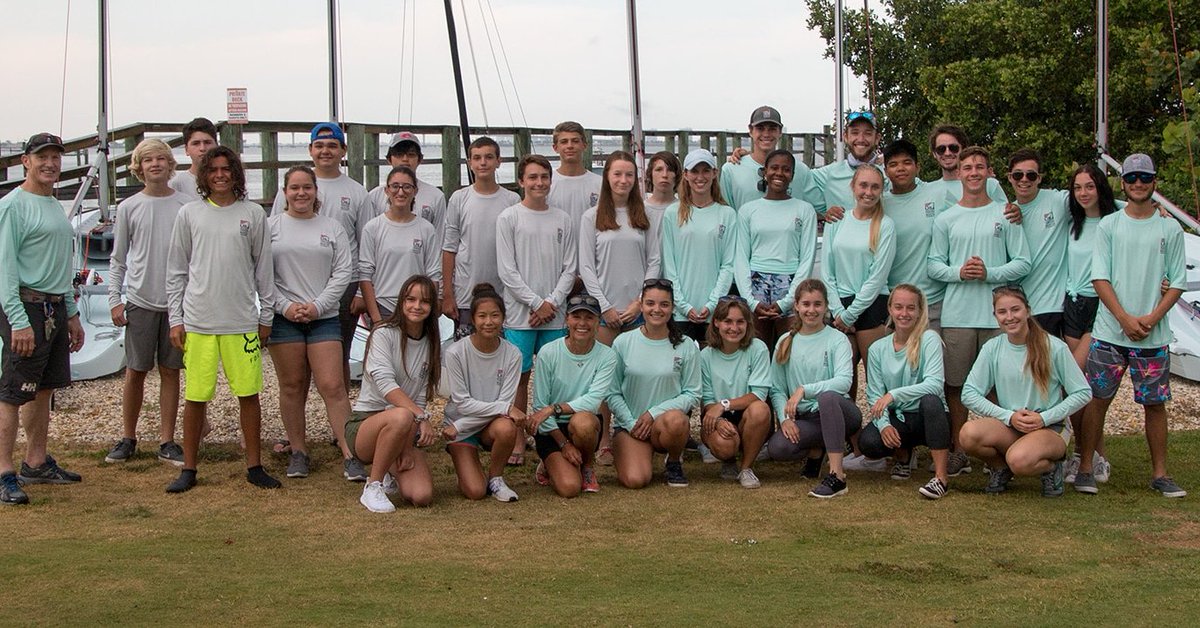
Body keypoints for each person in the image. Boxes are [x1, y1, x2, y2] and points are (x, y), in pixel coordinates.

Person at [164, 146, 278, 493]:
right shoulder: (190, 214)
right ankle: (189, 468)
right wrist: (175, 317)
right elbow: (176, 271)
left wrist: (266, 315)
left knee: (249, 394)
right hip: (199, 322)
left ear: (236, 173)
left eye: (226, 169)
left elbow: (264, 270)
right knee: (196, 397)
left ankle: (254, 466)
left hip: (242, 321)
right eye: (212, 169)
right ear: (203, 175)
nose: (219, 175)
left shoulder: (253, 214)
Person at [1075, 154, 1187, 498]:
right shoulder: (1110, 225)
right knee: (1097, 400)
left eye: (1145, 177)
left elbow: (1178, 281)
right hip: (1110, 332)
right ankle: (1085, 469)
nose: (1138, 183)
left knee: (1155, 404)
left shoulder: (1170, 227)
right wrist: (1123, 318)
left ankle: (1161, 474)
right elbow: (1100, 277)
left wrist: (1151, 319)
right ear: (1123, 182)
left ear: (1155, 181)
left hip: (1153, 336)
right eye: (1132, 177)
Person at [927, 146, 1031, 478]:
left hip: (998, 319)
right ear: (958, 173)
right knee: (956, 387)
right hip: (957, 315)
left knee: (997, 387)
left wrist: (991, 273)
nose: (973, 172)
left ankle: (1002, 450)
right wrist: (959, 272)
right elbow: (933, 266)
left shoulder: (1006, 213)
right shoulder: (946, 218)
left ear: (989, 172)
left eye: (979, 167)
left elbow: (1023, 263)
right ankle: (960, 451)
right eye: (967, 167)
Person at [0, 132, 85, 506]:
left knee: (44, 388)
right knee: (12, 394)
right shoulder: (13, 206)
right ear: (25, 161)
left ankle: (36, 462)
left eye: (55, 157)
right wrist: (18, 320)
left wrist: (72, 314)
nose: (50, 164)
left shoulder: (52, 203)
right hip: (25, 307)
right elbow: (4, 270)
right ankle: (4, 472)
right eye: (42, 157)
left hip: (54, 307)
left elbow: (60, 266)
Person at [958, 285, 1091, 497]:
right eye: (1002, 312)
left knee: (1019, 460)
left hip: (1049, 427)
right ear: (995, 316)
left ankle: (1051, 468)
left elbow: (1083, 392)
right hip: (1012, 424)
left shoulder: (1054, 347)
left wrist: (1044, 418)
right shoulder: (993, 348)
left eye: (1015, 309)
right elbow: (969, 393)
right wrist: (1009, 416)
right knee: (968, 434)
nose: (1009, 317)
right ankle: (1000, 468)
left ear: (1027, 311)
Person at [266, 165, 355, 480]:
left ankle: (350, 452)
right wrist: (285, 306)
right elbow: (261, 276)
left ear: (316, 191)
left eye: (307, 187)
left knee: (333, 386)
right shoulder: (270, 227)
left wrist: (318, 306)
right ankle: (299, 450)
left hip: (324, 317)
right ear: (285, 192)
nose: (301, 193)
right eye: (294, 188)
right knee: (292, 385)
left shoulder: (332, 227)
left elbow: (343, 271)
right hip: (283, 319)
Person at [104, 139, 188, 466]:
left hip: (176, 305)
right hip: (139, 300)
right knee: (136, 370)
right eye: (148, 160)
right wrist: (115, 299)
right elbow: (118, 258)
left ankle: (167, 440)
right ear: (139, 168)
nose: (155, 165)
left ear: (170, 165)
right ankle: (128, 436)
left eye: (161, 159)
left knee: (171, 371)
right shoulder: (129, 207)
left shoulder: (185, 205)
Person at [271, 122, 369, 390]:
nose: (326, 151)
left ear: (343, 150)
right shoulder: (296, 185)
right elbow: (275, 236)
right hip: (294, 284)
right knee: (297, 367)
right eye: (320, 145)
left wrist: (361, 290)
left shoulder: (357, 191)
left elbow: (365, 243)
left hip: (343, 284)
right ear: (311, 150)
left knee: (339, 353)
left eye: (332, 146)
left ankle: (342, 424)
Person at [579, 150, 660, 466]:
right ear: (607, 177)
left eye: (629, 175)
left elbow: (654, 260)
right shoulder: (592, 217)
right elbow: (587, 266)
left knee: (636, 374)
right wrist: (605, 306)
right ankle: (604, 439)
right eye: (617, 174)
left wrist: (640, 301)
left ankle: (641, 433)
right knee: (602, 378)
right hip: (605, 312)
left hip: (638, 309)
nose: (623, 180)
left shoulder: (646, 216)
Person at [496, 154, 578, 465]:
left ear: (550, 180)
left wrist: (552, 303)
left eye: (544, 177)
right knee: (520, 377)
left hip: (554, 315)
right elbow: (507, 270)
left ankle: (553, 439)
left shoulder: (563, 219)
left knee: (556, 378)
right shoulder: (509, 218)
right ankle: (518, 438)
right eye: (532, 177)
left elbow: (570, 268)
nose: (539, 183)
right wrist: (535, 303)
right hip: (521, 315)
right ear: (521, 182)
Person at [347, 275, 441, 512]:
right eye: (410, 299)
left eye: (424, 301)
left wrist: (408, 445)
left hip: (403, 427)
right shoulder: (383, 333)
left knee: (422, 496)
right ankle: (373, 486)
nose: (417, 306)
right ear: (401, 301)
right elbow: (386, 387)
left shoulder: (430, 342)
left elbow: (418, 396)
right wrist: (422, 417)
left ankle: (390, 471)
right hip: (366, 425)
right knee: (401, 415)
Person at [765, 279, 860, 498]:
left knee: (827, 397)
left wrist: (804, 390)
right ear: (796, 306)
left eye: (817, 304)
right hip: (808, 418)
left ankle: (837, 476)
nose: (811, 310)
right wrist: (785, 418)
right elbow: (777, 388)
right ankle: (817, 450)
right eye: (806, 304)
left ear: (826, 306)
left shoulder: (838, 339)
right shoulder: (785, 341)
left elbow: (844, 381)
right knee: (778, 448)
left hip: (841, 413)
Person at [859, 284, 951, 499]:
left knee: (930, 401)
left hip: (927, 416)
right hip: (898, 417)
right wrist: (884, 426)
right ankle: (903, 456)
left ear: (920, 311)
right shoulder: (877, 348)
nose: (904, 313)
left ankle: (941, 478)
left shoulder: (929, 339)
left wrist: (894, 394)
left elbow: (935, 385)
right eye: (898, 307)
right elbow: (874, 394)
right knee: (869, 442)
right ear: (890, 309)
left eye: (911, 308)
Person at [608, 278, 700, 489]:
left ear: (672, 308)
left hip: (664, 425)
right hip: (632, 426)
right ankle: (639, 454)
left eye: (664, 304)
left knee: (677, 421)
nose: (656, 310)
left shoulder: (686, 345)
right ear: (641, 306)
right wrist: (632, 424)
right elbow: (612, 393)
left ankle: (674, 461)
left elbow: (692, 393)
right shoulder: (623, 342)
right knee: (635, 480)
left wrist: (653, 413)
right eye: (650, 303)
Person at [526, 293, 617, 497]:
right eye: (576, 317)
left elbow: (593, 402)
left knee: (583, 422)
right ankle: (549, 463)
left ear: (598, 322)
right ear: (567, 319)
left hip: (584, 423)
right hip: (551, 429)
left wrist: (553, 408)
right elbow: (540, 405)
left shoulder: (608, 356)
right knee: (569, 489)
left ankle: (587, 466)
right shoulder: (548, 352)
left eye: (589, 317)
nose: (582, 323)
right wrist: (564, 444)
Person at [1061, 164, 1118, 484]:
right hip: (1073, 304)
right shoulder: (1074, 222)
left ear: (1100, 189)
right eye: (1078, 188)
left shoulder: (1116, 219)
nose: (1083, 193)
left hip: (1102, 304)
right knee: (1077, 384)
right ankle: (1086, 454)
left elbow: (1145, 212)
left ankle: (1094, 456)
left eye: (1089, 187)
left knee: (1081, 381)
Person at [441, 283, 524, 502]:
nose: (489, 322)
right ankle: (466, 463)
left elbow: (504, 404)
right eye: (482, 316)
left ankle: (496, 478)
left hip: (486, 425)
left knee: (507, 427)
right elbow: (462, 404)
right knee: (475, 492)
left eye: (495, 315)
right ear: (473, 320)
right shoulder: (455, 352)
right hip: (462, 425)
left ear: (503, 318)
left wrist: (458, 426)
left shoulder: (513, 354)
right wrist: (459, 426)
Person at [821, 165, 896, 398]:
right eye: (863, 185)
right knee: (842, 379)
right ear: (853, 187)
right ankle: (848, 432)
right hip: (839, 306)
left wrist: (850, 315)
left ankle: (881, 430)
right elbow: (827, 272)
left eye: (875, 187)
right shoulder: (837, 221)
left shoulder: (885, 225)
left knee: (877, 378)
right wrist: (837, 311)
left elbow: (877, 277)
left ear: (882, 191)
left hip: (871, 306)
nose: (868, 192)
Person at [733, 149, 817, 349]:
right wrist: (751, 301)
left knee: (788, 351)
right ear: (764, 172)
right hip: (755, 287)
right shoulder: (748, 210)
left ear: (792, 176)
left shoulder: (805, 210)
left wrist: (787, 301)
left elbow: (807, 258)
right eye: (774, 168)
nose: (779, 173)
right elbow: (741, 258)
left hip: (790, 284)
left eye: (786, 169)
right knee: (757, 351)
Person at [441, 137, 521, 339]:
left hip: (503, 294)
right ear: (470, 163)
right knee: (466, 351)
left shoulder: (512, 200)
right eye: (477, 158)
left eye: (488, 157)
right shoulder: (459, 198)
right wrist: (448, 294)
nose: (483, 162)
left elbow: (518, 251)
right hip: (466, 294)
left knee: (500, 352)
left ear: (498, 161)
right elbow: (449, 248)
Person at [661, 149, 738, 345]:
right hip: (680, 313)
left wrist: (712, 304)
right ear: (685, 175)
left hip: (714, 314)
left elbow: (728, 265)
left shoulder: (727, 214)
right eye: (694, 171)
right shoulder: (672, 213)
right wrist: (684, 306)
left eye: (706, 171)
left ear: (715, 173)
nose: (700, 177)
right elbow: (669, 265)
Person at [699, 297, 773, 489]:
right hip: (716, 414)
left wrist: (723, 405)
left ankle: (746, 468)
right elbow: (707, 398)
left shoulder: (757, 348)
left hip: (745, 412)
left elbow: (759, 394)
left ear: (748, 324)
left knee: (761, 410)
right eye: (728, 321)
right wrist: (718, 419)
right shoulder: (705, 355)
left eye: (740, 321)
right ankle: (728, 460)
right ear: (716, 322)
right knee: (725, 445)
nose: (734, 328)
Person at [880, 139, 949, 332]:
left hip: (933, 300)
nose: (900, 169)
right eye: (893, 164)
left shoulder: (938, 193)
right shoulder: (879, 204)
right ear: (886, 171)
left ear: (918, 166)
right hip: (894, 302)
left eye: (907, 162)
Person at [359, 166, 441, 325]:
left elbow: (433, 274)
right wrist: (376, 319)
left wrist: (425, 307)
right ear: (387, 190)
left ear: (415, 191)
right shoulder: (373, 227)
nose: (401, 192)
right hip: (383, 307)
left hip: (416, 308)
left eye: (407, 187)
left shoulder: (426, 229)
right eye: (395, 186)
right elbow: (365, 274)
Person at [1007, 148, 1069, 336]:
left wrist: (1153, 208)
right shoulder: (1006, 213)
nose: (1024, 180)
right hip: (1018, 309)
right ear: (1010, 177)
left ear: (1039, 178)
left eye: (1031, 175)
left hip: (1052, 306)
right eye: (1018, 175)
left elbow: (1098, 201)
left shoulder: (1059, 200)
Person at [719, 105, 811, 211]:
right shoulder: (731, 170)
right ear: (750, 130)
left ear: (780, 131)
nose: (766, 134)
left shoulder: (801, 170)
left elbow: (818, 208)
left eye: (772, 129)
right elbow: (725, 214)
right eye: (760, 128)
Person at [366, 131, 447, 242]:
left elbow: (439, 238)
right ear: (389, 159)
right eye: (399, 154)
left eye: (411, 154)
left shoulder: (436, 196)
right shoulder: (374, 196)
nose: (405, 159)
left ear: (420, 160)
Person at [803, 111, 879, 218]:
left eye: (868, 133)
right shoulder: (830, 173)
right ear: (845, 137)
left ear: (877, 138)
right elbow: (799, 177)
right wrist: (825, 210)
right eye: (855, 133)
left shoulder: (889, 174)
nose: (861, 139)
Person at [924, 124, 1008, 204]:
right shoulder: (927, 191)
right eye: (941, 149)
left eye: (953, 148)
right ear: (934, 154)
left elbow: (1008, 215)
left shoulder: (989, 184)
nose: (947, 153)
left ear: (964, 149)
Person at [546, 121, 602, 229]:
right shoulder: (546, 184)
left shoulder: (600, 183)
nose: (570, 146)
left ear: (584, 145)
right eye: (564, 142)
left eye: (575, 141)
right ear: (555, 147)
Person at [168, 117, 217, 202]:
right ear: (186, 150)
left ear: (217, 146)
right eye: (196, 143)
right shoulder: (176, 184)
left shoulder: (227, 180)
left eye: (207, 142)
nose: (202, 148)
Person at [644, 150, 681, 224]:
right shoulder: (640, 210)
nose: (664, 175)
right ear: (650, 174)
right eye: (659, 170)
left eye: (670, 170)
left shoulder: (683, 210)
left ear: (677, 175)